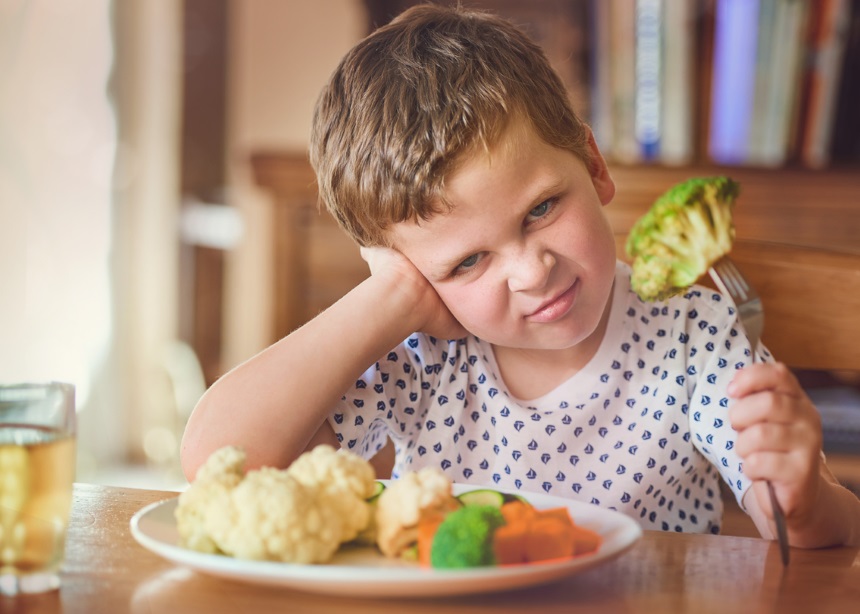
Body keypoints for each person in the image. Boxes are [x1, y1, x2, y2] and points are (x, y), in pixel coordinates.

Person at [181, 3, 859, 545]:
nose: (533, 271)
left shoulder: (693, 334)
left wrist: (803, 501)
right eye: (468, 261)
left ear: (593, 166)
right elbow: (221, 463)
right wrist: (389, 298)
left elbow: (807, 529)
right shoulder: (417, 356)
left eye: (541, 208)